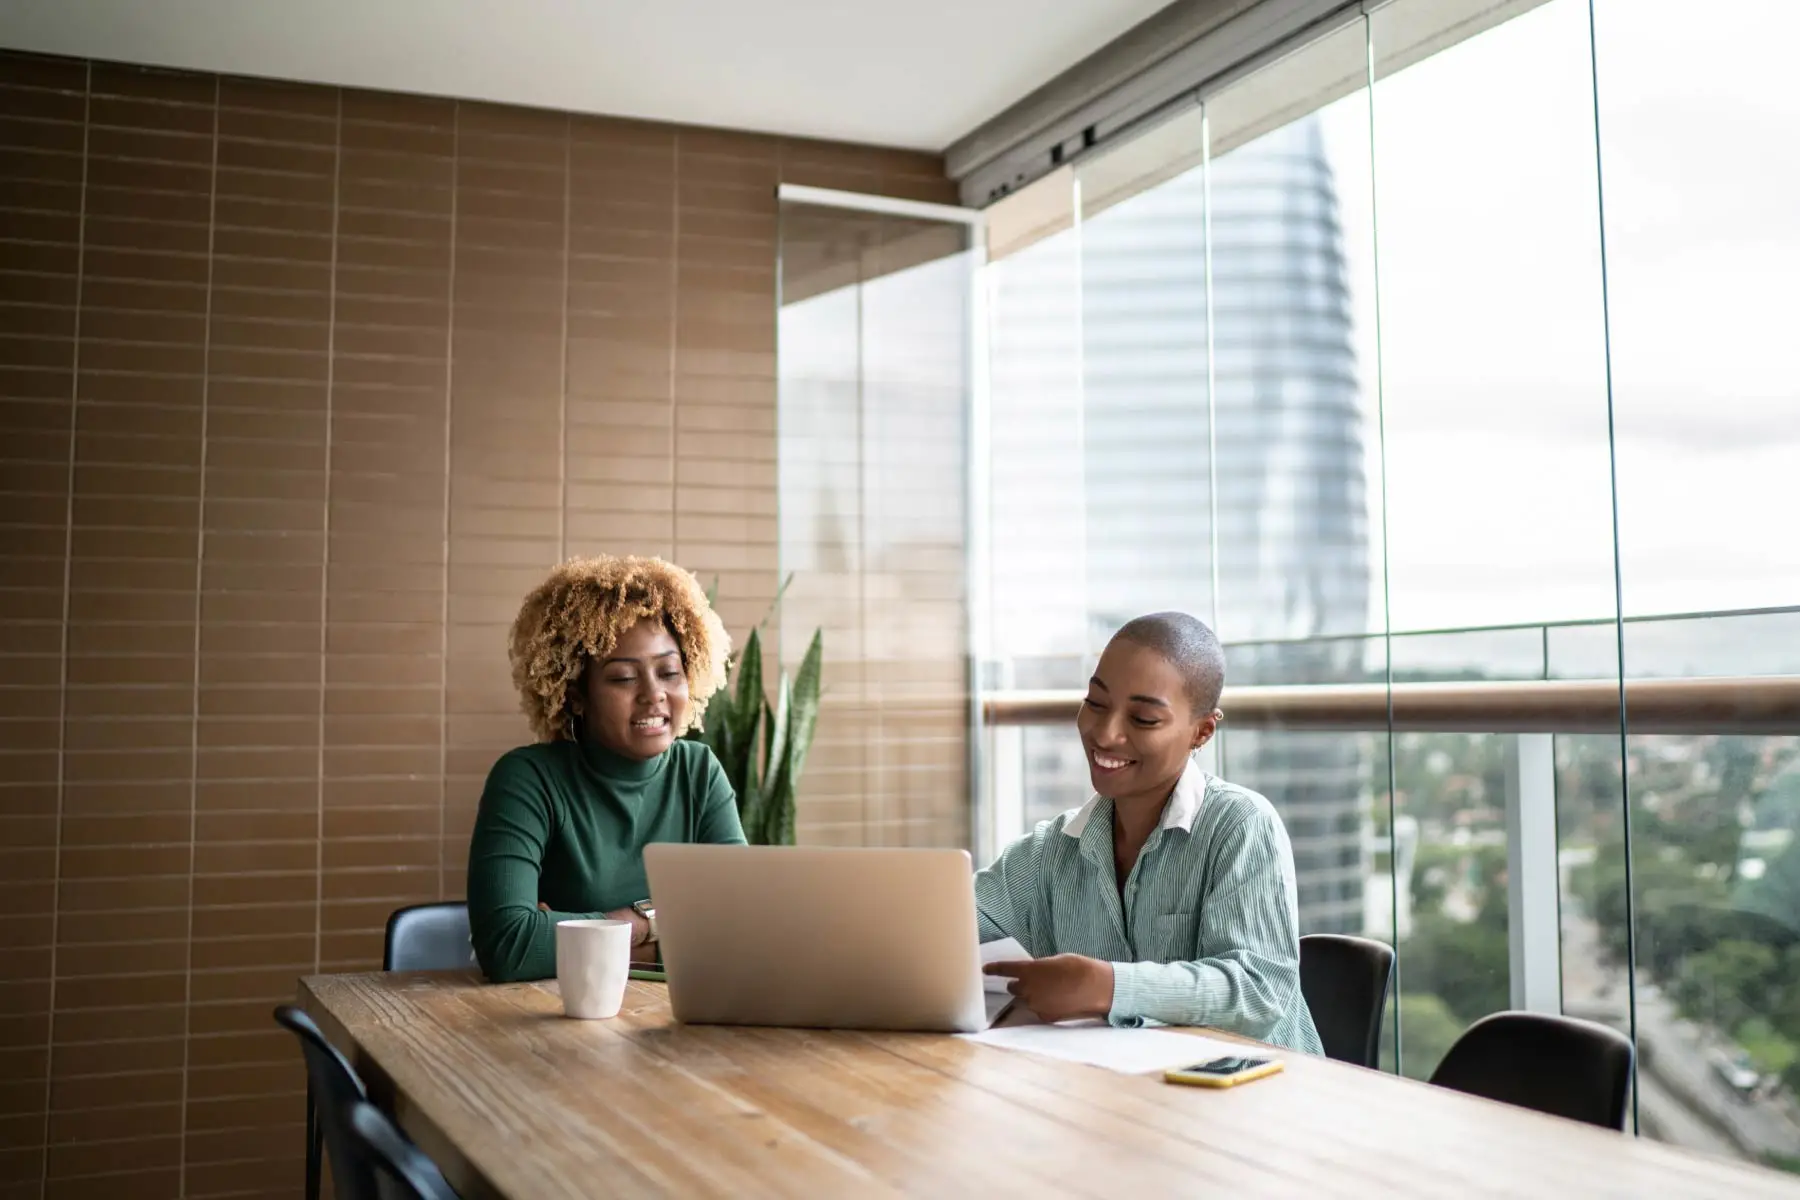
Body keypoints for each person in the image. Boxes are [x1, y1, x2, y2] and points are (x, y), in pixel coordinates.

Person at [978, 612, 1324, 1053]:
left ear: (1202, 731)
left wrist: (1106, 986)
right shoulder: (1053, 851)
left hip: (1256, 1096)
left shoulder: (1241, 825)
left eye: (1142, 719)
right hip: (1131, 1094)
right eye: (1096, 703)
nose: (1105, 733)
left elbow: (1258, 993)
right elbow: (947, 924)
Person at [467, 555, 746, 983]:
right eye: (623, 678)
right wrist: (664, 928)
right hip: (556, 1025)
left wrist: (597, 930)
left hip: (675, 1023)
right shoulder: (527, 780)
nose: (654, 694)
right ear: (576, 694)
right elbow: (510, 946)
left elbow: (743, 927)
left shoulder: (699, 772)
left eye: (669, 672)